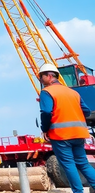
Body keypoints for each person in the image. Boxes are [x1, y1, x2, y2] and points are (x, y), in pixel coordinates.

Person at [39, 63, 95, 193]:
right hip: (79, 133)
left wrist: (45, 129)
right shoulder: (73, 92)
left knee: (68, 164)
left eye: (41, 77)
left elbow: (46, 112)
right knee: (83, 163)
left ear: (49, 75)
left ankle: (78, 191)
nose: (40, 80)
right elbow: (86, 111)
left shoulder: (46, 92)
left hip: (61, 135)